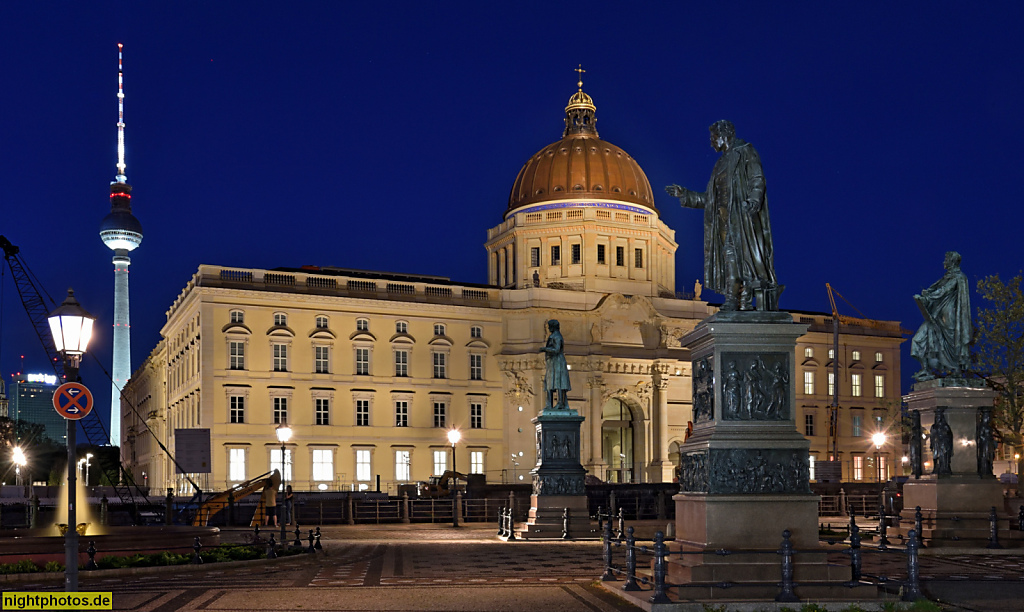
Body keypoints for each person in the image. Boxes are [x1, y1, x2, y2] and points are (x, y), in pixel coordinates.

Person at [666, 120, 778, 311]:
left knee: (746, 259)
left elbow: (757, 178)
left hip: (742, 217)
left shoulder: (745, 151)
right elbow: (710, 199)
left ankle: (742, 301)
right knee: (730, 259)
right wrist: (685, 194)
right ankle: (734, 299)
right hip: (724, 221)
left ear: (723, 135)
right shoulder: (720, 164)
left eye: (713, 138)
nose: (711, 143)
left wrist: (752, 201)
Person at [911, 251, 972, 381]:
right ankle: (925, 370)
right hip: (935, 314)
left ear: (952, 261)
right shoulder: (947, 277)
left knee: (951, 342)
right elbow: (937, 290)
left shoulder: (959, 277)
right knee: (918, 339)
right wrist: (927, 295)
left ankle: (955, 369)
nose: (944, 262)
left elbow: (944, 291)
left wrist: (927, 296)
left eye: (946, 259)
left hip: (948, 316)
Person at [539, 319, 570, 409]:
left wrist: (544, 349)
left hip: (557, 361)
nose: (548, 328)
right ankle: (549, 404)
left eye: (549, 326)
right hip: (552, 362)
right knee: (550, 382)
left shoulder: (557, 336)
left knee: (558, 381)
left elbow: (557, 350)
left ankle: (560, 403)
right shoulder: (554, 336)